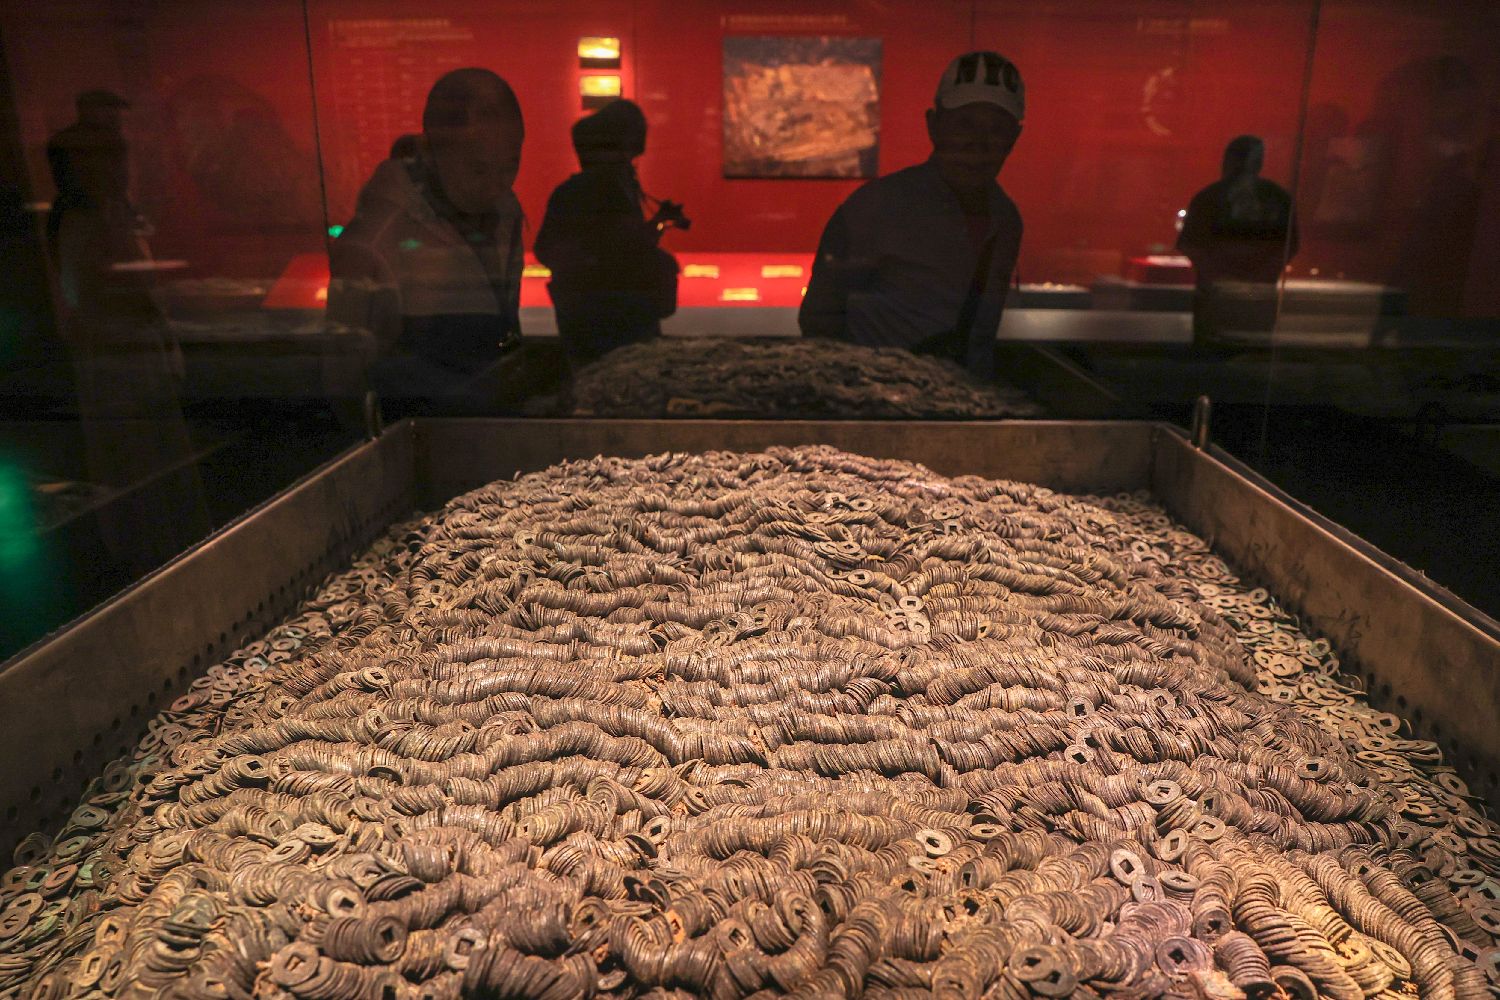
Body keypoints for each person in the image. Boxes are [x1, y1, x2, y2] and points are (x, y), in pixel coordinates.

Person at [800, 51, 1025, 381]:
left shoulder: (1005, 220)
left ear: (1013, 139)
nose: (978, 143)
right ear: (934, 126)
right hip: (879, 400)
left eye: (996, 129)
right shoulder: (874, 208)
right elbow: (820, 323)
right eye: (965, 124)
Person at [328, 69, 526, 413]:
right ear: (432, 153)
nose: (497, 186)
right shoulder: (379, 236)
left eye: (510, 166)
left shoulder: (505, 213)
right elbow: (346, 379)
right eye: (479, 169)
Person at [534, 99, 680, 371]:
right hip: (608, 315)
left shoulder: (584, 189)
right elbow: (623, 248)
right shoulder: (599, 189)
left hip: (602, 312)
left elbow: (626, 245)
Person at [1177, 135, 1298, 338]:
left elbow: (1190, 244)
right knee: (1250, 346)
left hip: (1229, 294)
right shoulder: (1277, 197)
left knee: (1220, 346)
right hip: (1246, 294)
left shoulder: (1209, 196)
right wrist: (1258, 274)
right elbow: (1288, 245)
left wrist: (1222, 276)